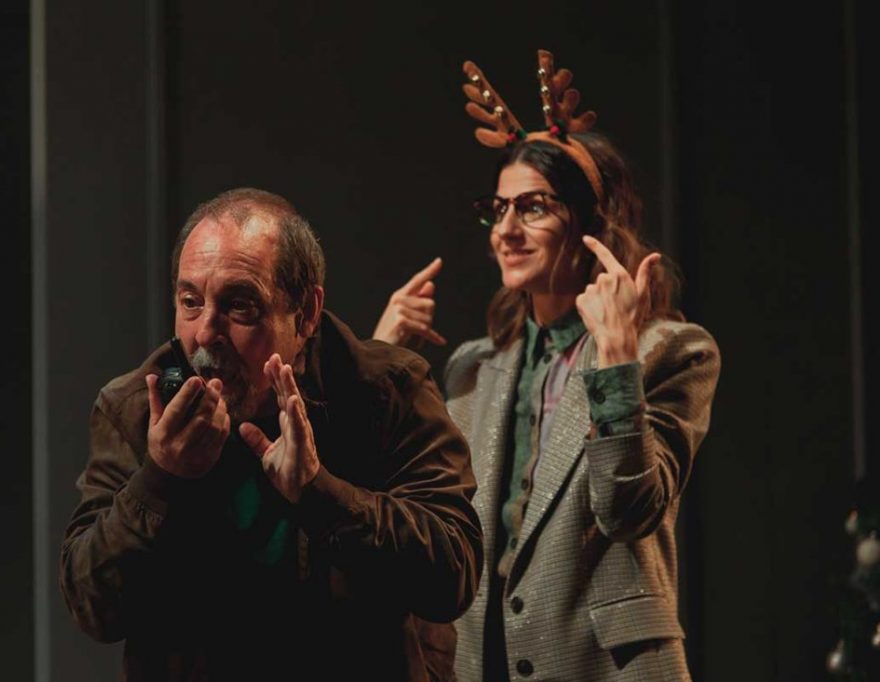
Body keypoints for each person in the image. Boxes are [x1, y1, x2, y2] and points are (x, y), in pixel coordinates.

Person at [374, 51, 720, 681]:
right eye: (498, 208)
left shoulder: (672, 350)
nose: (505, 230)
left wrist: (617, 361)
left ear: (590, 222)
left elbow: (628, 510)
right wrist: (385, 360)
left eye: (533, 207)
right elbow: (402, 512)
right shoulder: (472, 369)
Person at [60, 188, 483, 682]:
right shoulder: (135, 408)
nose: (205, 333)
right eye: (190, 302)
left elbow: (452, 576)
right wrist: (160, 480)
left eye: (239, 306)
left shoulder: (386, 392)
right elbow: (93, 607)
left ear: (304, 314)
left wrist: (319, 492)